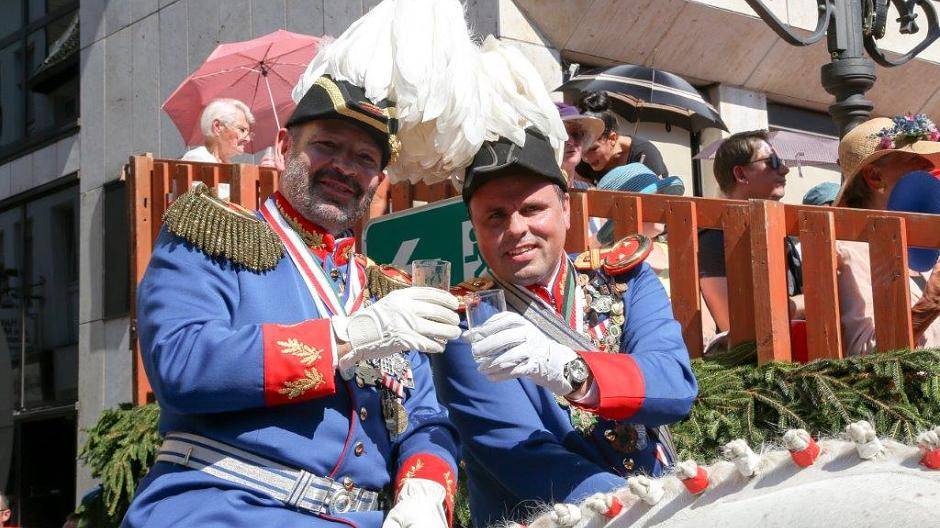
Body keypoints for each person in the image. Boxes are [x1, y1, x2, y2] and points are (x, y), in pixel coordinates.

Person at [124, 75, 461, 528]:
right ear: (284, 147)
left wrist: (425, 493)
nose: (345, 167)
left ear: (378, 180)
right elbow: (180, 363)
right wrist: (349, 336)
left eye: (364, 158)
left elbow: (425, 419)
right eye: (327, 146)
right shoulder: (214, 233)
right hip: (222, 507)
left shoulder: (383, 291)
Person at [432, 128, 697, 527]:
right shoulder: (462, 324)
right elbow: (528, 460)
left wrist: (573, 373)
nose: (517, 228)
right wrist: (650, 513)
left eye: (533, 209)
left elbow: (675, 387)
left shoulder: (625, 280)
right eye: (496, 216)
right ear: (475, 228)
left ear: (567, 209)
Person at [832, 115, 940, 355]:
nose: (930, 167)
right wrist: (928, 305)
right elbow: (865, 354)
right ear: (875, 176)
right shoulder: (850, 250)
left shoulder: (923, 241)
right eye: (915, 158)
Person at [698, 130, 804, 333]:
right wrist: (799, 304)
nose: (784, 169)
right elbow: (735, 323)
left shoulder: (783, 235)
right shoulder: (713, 238)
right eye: (771, 162)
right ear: (740, 174)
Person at [576, 91, 669, 182]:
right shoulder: (585, 159)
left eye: (593, 149)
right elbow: (582, 192)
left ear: (612, 138)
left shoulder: (645, 155)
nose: (586, 158)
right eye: (582, 148)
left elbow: (654, 194)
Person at [181, 98, 255, 164]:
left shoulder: (227, 164)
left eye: (248, 133)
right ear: (217, 127)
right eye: (242, 130)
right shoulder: (198, 158)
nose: (248, 139)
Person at [556, 102, 604, 189]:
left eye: (576, 134)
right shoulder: (536, 193)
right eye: (561, 135)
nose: (570, 141)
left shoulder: (590, 191)